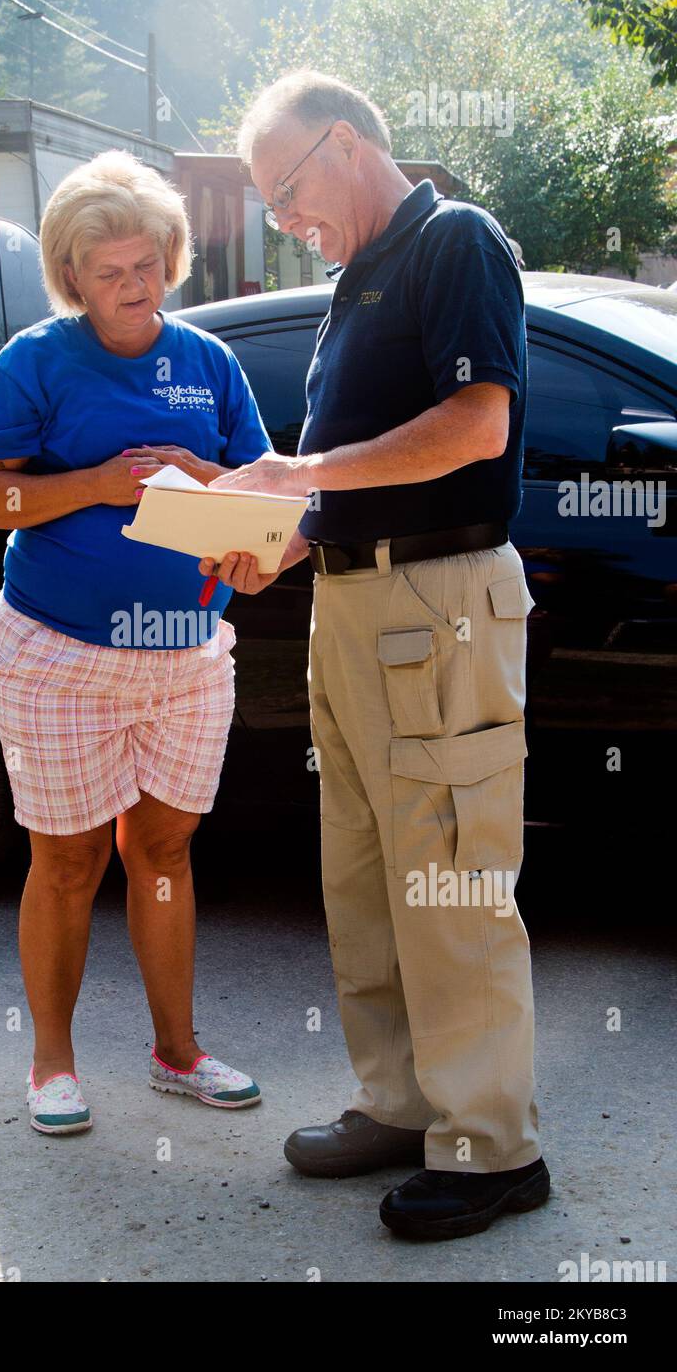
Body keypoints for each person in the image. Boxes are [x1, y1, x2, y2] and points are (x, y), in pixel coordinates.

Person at [201, 71, 550, 1239]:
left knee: (450, 882)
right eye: (269, 205)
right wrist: (278, 544)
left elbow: (476, 425)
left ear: (345, 145)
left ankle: (490, 1145)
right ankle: (402, 1104)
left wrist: (299, 474)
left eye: (288, 188)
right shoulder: (353, 279)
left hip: (440, 605)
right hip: (350, 606)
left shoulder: (454, 239)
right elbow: (355, 480)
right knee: (361, 881)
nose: (285, 218)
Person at [0, 150, 272, 1136]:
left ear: (172, 259)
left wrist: (219, 498)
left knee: (164, 849)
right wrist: (91, 483)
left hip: (184, 654)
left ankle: (177, 1053)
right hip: (57, 650)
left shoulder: (208, 362)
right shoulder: (37, 360)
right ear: (73, 279)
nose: (132, 287)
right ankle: (52, 1065)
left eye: (146, 265)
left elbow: (262, 493)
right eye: (108, 272)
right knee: (68, 859)